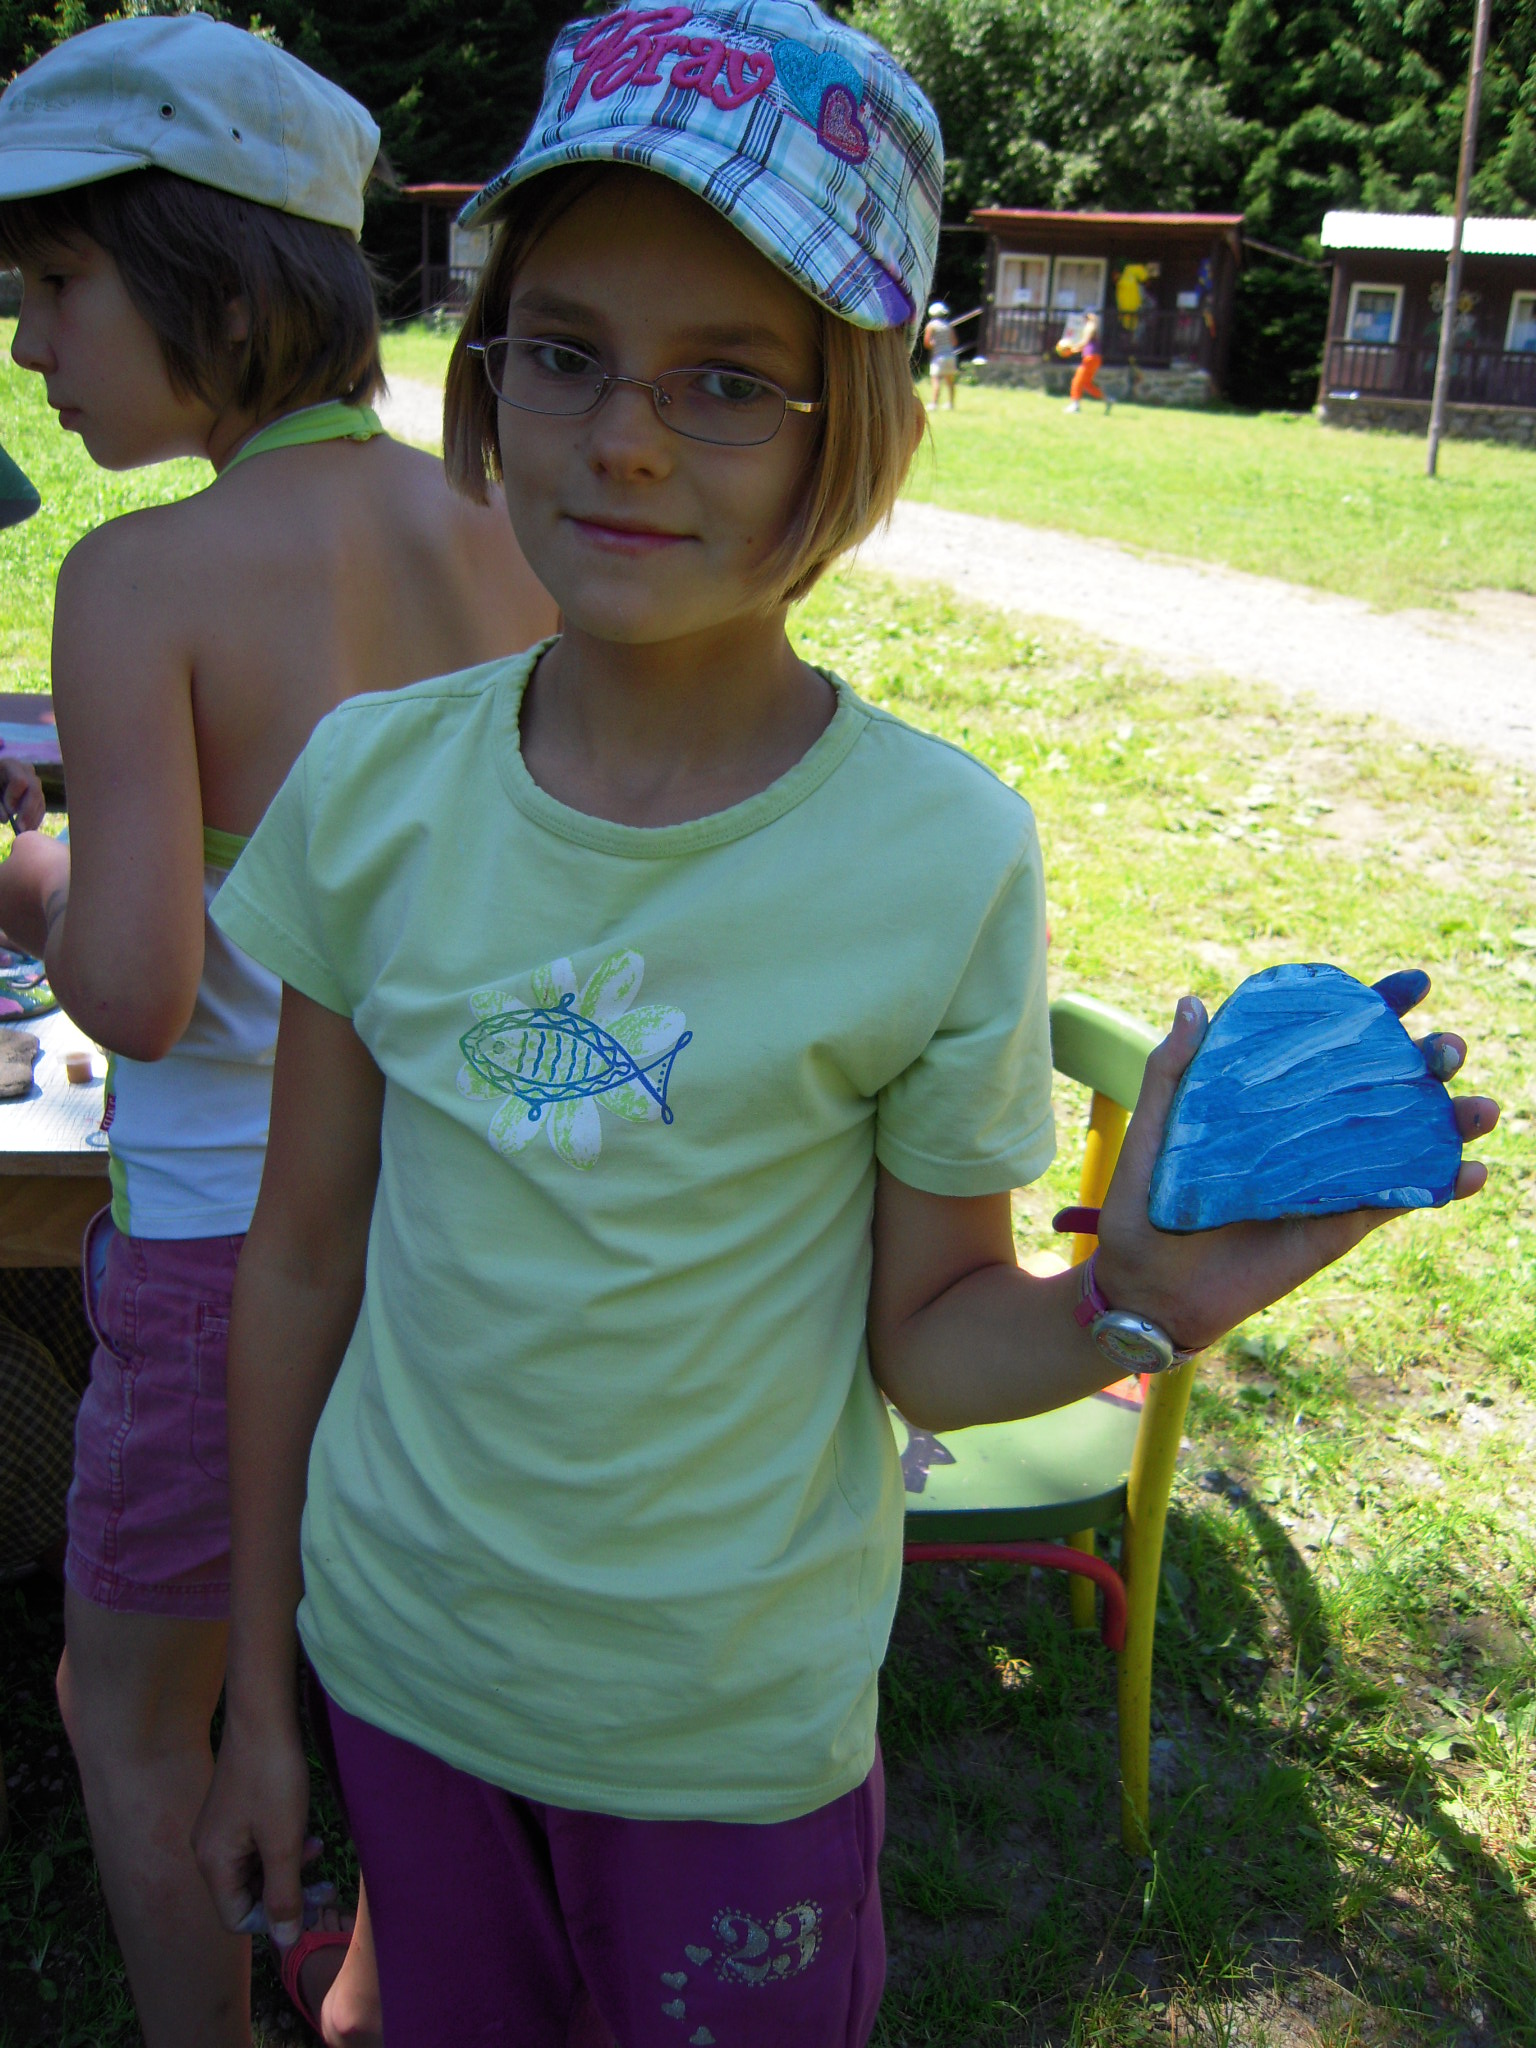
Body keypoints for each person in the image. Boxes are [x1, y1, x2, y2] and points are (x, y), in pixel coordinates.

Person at [190, 5, 1497, 2042]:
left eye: (728, 382)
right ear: (489, 366)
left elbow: (930, 1336)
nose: (625, 437)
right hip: (397, 1670)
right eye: (565, 351)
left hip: (723, 1732)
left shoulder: (935, 853)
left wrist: (1133, 1302)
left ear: (852, 429)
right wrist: (259, 1691)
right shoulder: (372, 787)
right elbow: (294, 1257)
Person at [0, 16, 555, 2048]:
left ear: (217, 287)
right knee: (417, 1685)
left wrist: (26, 872)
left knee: (125, 1706)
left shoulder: (139, 577)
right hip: (479, 1238)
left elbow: (138, 986)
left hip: (226, 1257)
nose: (27, 347)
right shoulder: (511, 531)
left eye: (57, 285)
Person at [1060, 306, 1111, 412]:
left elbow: (1084, 342)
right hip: (1094, 358)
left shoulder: (1090, 326)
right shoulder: (1093, 325)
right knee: (1086, 383)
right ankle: (1107, 400)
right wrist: (1074, 349)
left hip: (1090, 357)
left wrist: (1071, 349)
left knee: (1077, 380)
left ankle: (1075, 405)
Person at [923, 297, 959, 408]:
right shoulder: (948, 325)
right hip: (950, 356)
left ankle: (934, 403)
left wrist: (934, 344)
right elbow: (954, 342)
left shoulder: (931, 326)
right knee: (950, 381)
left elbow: (927, 343)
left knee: (936, 379)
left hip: (938, 356)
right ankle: (951, 403)